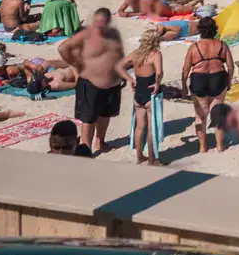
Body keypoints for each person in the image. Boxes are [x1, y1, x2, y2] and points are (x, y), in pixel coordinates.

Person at [59, 11, 124, 155]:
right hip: (90, 82)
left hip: (113, 83)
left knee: (106, 114)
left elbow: (119, 54)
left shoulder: (114, 34)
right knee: (88, 117)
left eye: (103, 22)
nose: (100, 25)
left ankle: (100, 142)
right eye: (98, 22)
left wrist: (122, 74)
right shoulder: (86, 35)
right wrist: (76, 64)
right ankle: (85, 148)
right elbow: (63, 48)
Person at [182, 16, 233, 154]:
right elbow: (230, 66)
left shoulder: (194, 47)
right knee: (218, 114)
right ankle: (219, 145)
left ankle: (202, 147)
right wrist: (229, 82)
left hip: (199, 79)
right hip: (218, 78)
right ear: (214, 29)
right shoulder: (222, 45)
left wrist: (183, 86)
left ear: (200, 30)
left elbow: (186, 69)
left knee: (200, 115)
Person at [119, 27, 166, 166]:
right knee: (152, 128)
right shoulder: (155, 54)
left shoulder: (135, 54)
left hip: (139, 92)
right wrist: (157, 83)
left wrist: (130, 79)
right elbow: (159, 72)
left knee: (140, 127)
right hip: (151, 93)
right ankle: (152, 159)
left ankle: (139, 157)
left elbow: (119, 66)